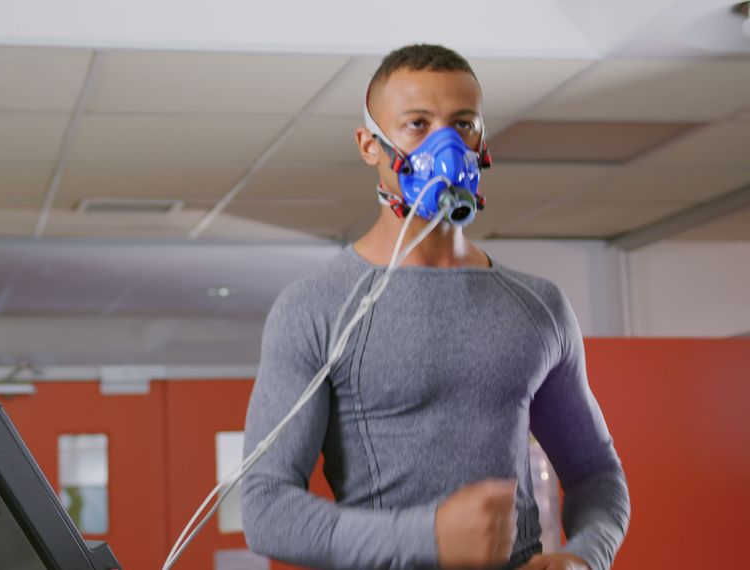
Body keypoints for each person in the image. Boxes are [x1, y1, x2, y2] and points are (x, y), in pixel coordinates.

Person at [240, 44, 630, 570]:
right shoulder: (316, 308)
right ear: (369, 144)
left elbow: (596, 474)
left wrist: (584, 558)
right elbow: (266, 509)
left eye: (463, 124)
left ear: (482, 140)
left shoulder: (540, 307)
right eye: (417, 124)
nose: (446, 145)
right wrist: (428, 537)